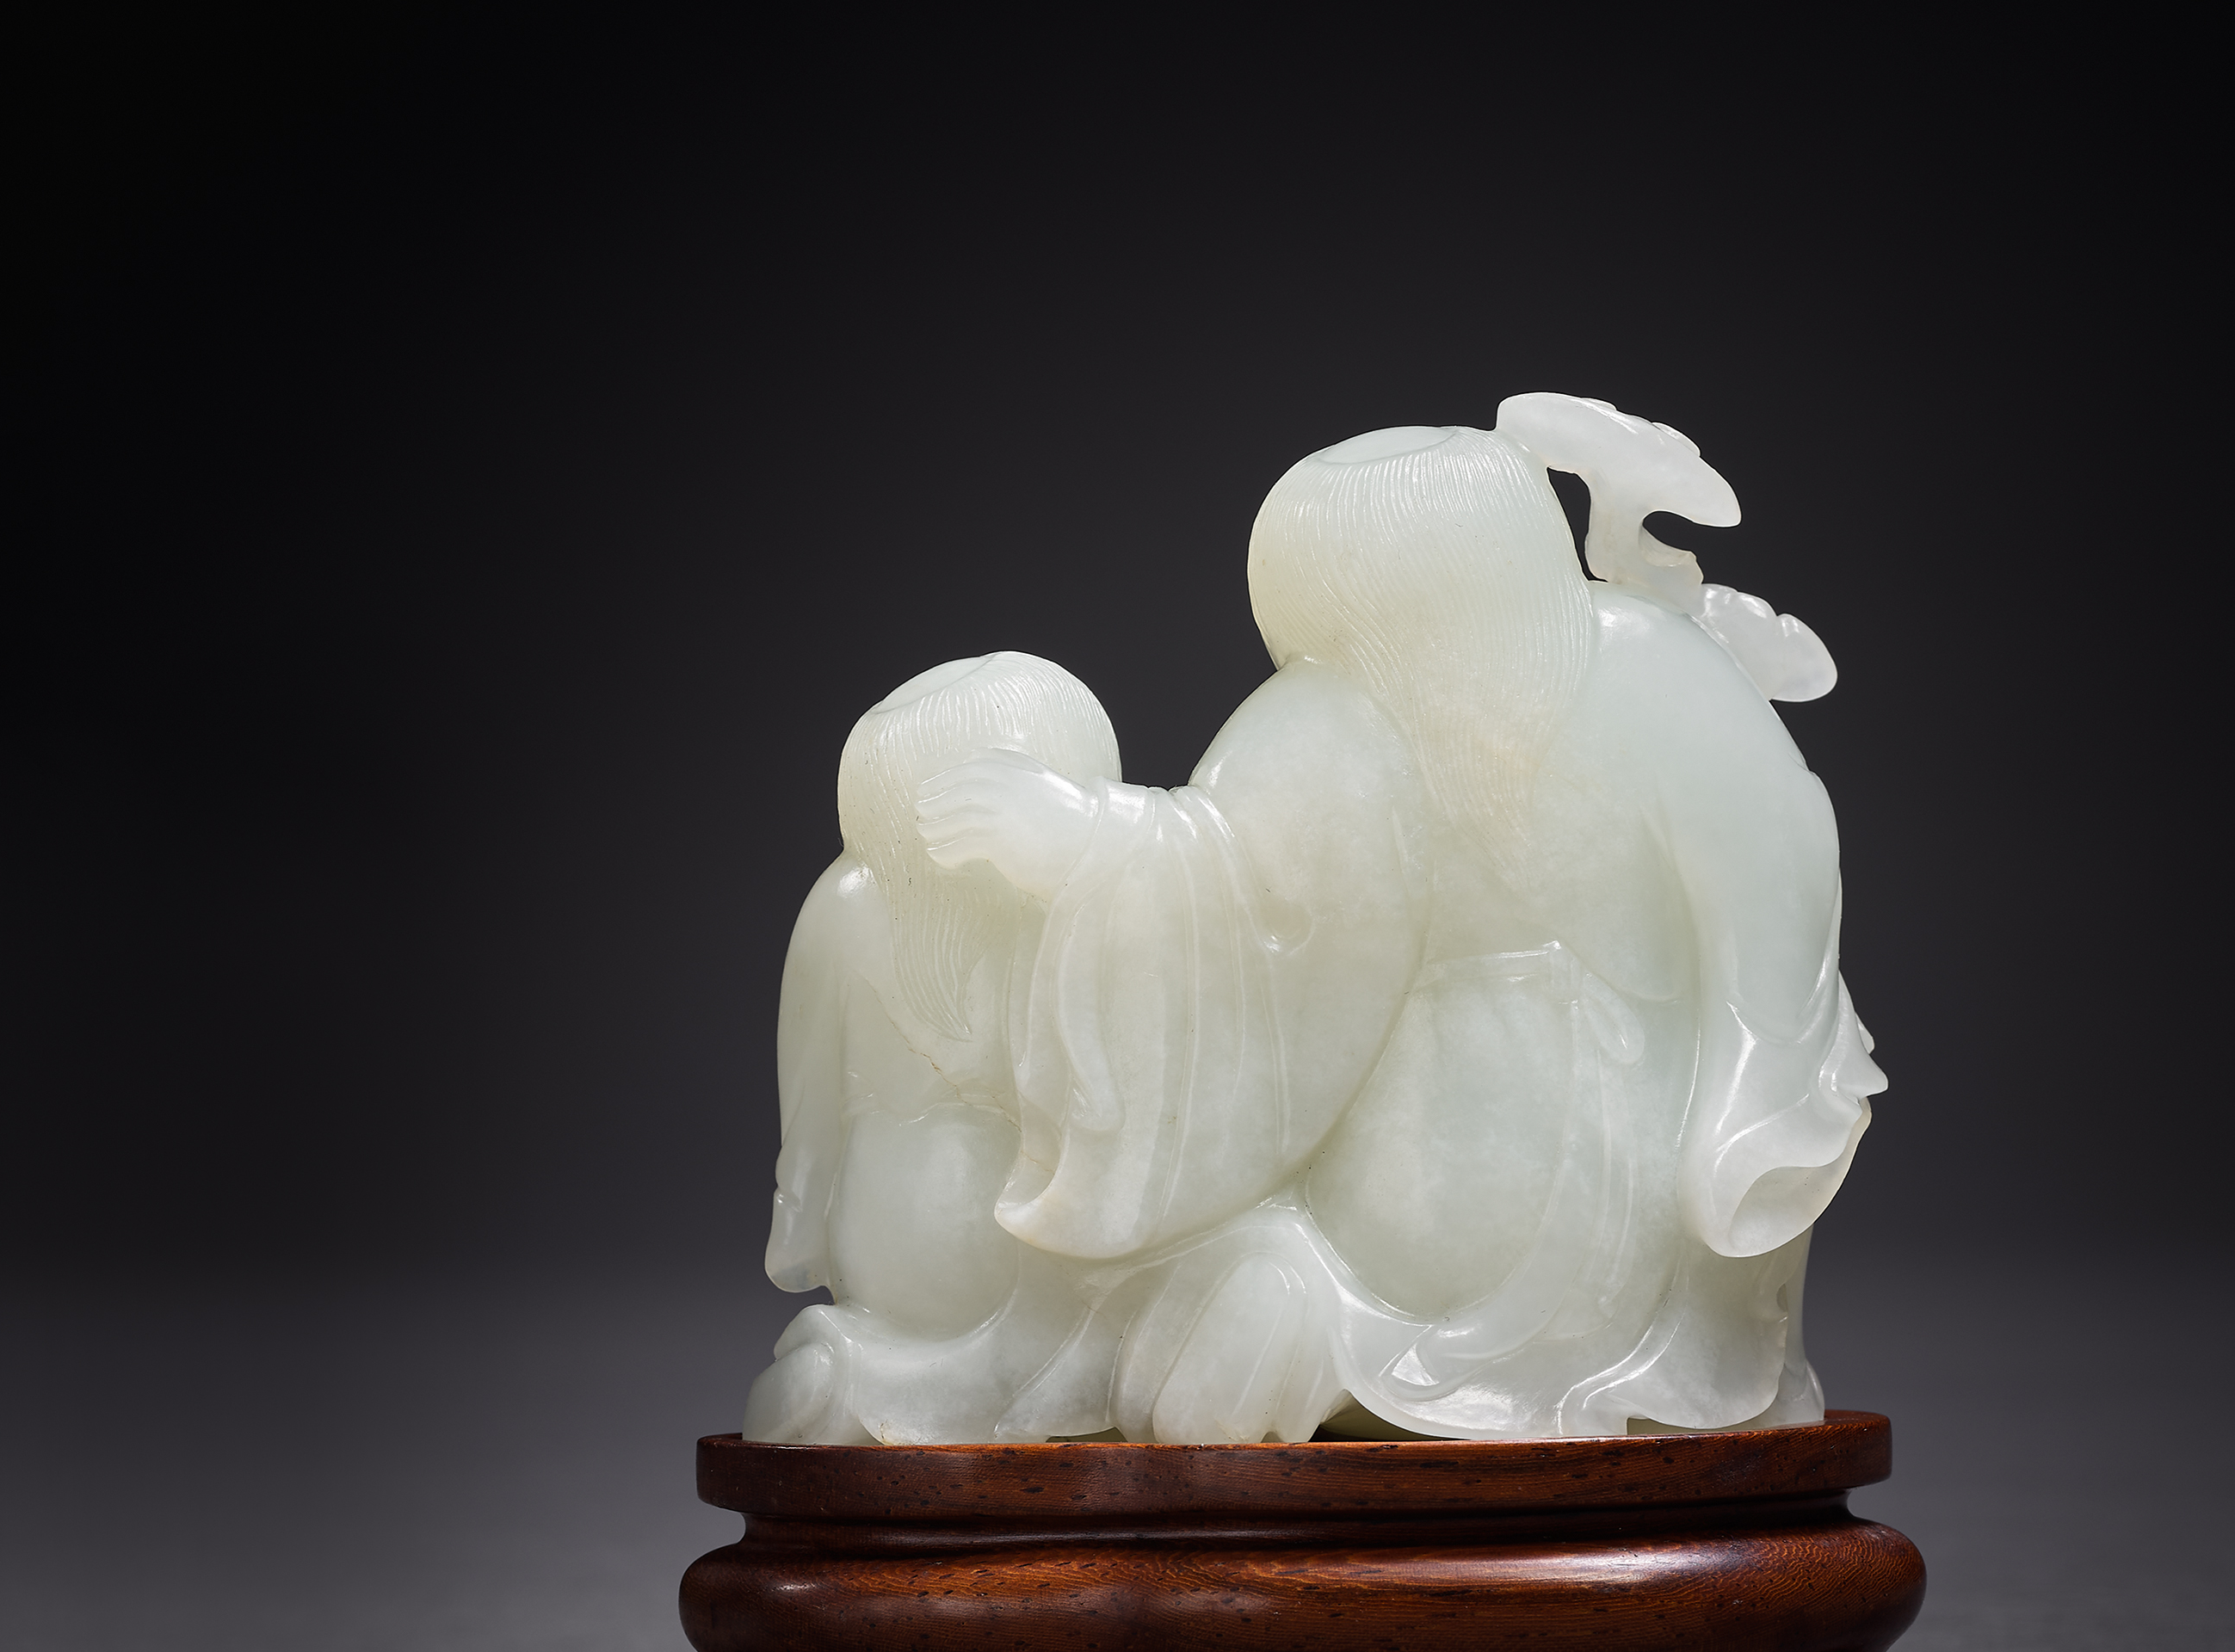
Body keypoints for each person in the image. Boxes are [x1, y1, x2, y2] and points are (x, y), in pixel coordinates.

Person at [741, 402, 1881, 1446]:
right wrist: (1089, 842)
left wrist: (1752, 1104)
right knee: (1214, 1336)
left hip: (1619, 1157)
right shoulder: (1338, 714)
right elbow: (1227, 875)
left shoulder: (1649, 676)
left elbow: (1776, 870)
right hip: (1400, 1174)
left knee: (1256, 1344)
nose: (1352, 670)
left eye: (1378, 624)